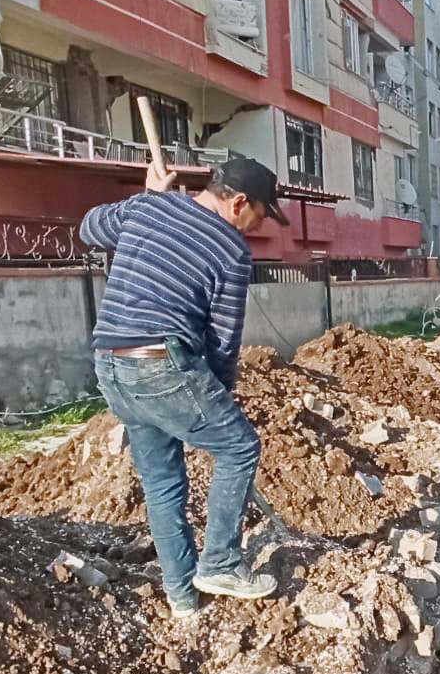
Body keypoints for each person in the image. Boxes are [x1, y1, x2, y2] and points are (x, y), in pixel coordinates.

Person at [81, 156, 290, 619]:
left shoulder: (146, 209)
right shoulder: (231, 250)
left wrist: (148, 196)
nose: (258, 224)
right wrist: (217, 395)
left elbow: (89, 226)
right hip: (162, 364)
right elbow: (221, 339)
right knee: (239, 448)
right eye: (260, 213)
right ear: (238, 202)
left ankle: (181, 599)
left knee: (161, 482)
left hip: (110, 364)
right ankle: (220, 563)